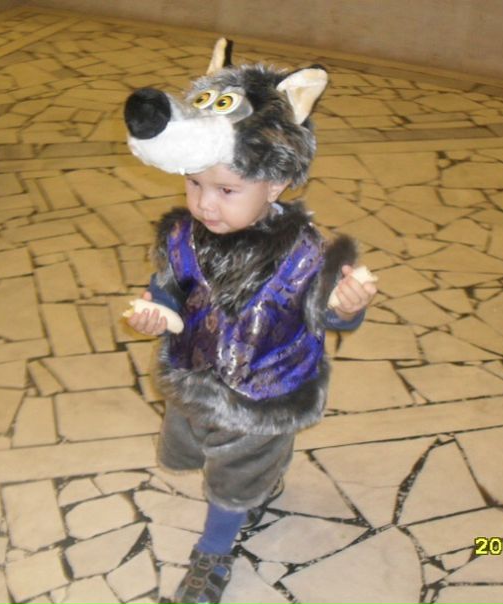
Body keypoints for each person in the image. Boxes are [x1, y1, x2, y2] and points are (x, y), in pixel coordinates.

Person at [123, 39, 377, 604]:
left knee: (234, 481)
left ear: (276, 184)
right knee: (200, 446)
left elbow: (328, 319)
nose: (205, 204)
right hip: (196, 375)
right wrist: (156, 312)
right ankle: (261, 481)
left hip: (265, 393)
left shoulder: (305, 253)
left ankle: (214, 551)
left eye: (226, 190)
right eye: (194, 184)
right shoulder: (182, 234)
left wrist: (346, 307)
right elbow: (170, 290)